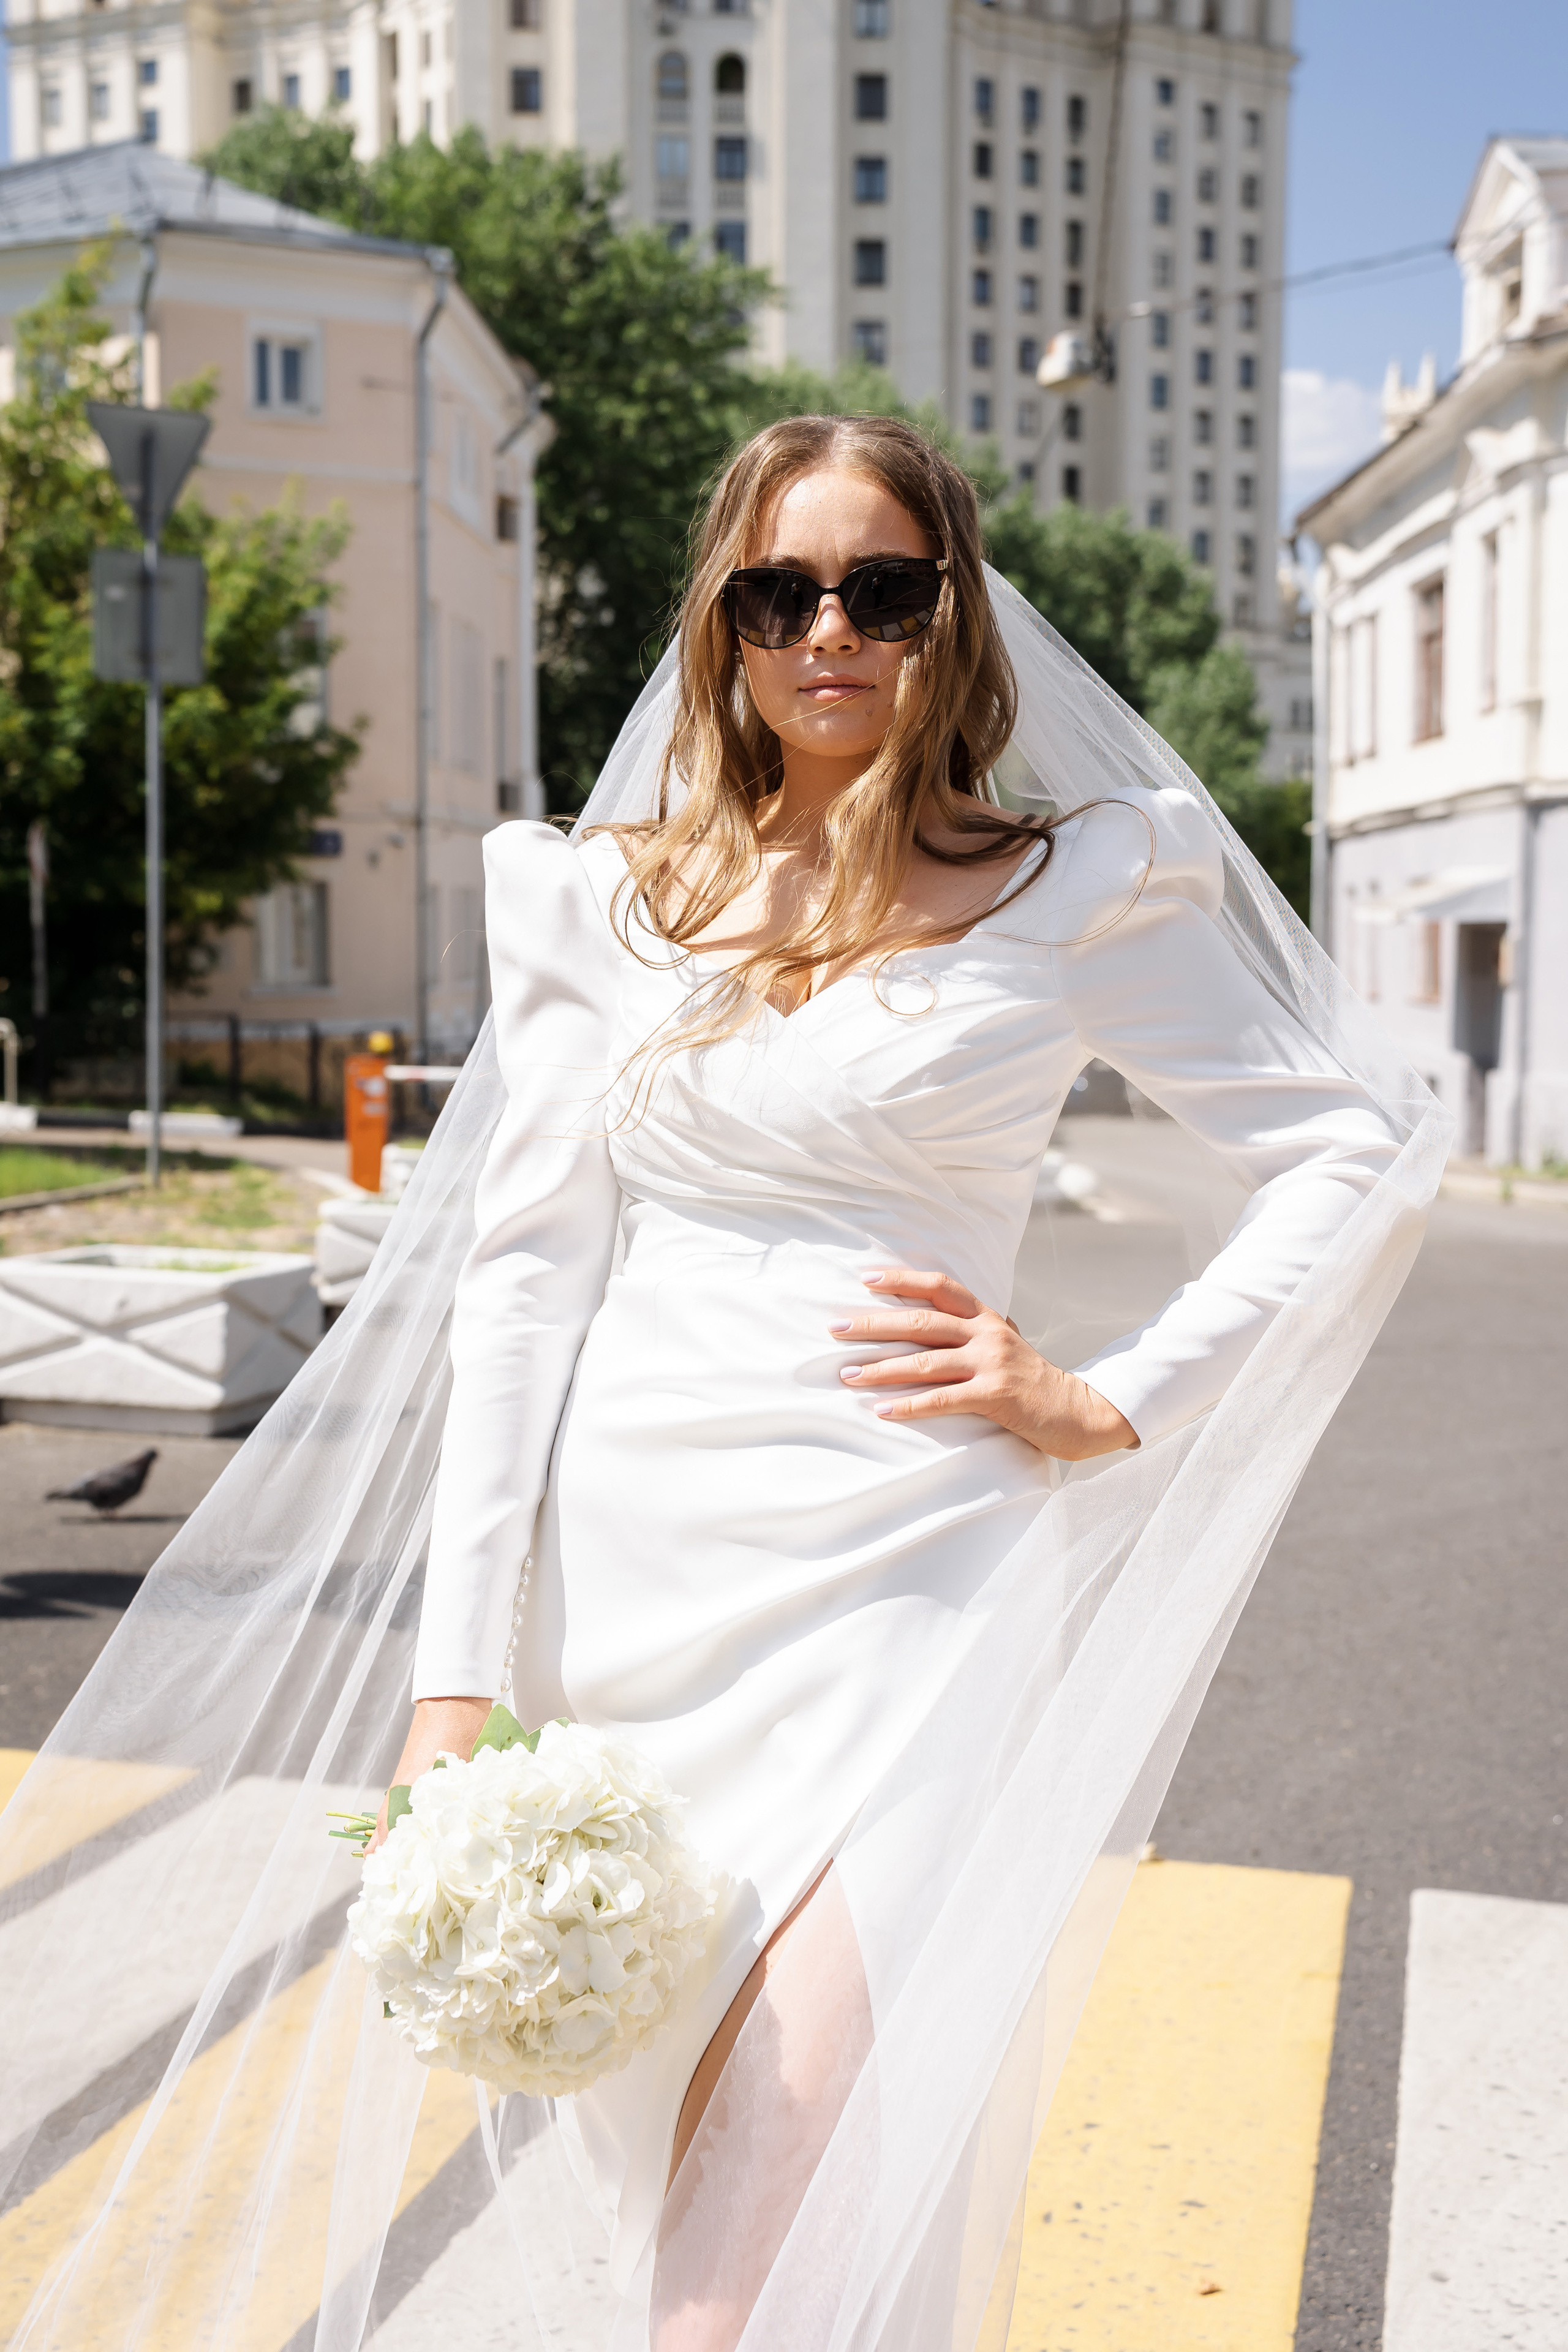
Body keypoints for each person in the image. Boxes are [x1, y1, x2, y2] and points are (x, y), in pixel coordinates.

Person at [0, 415, 1446, 2352]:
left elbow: (1352, 1147)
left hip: (916, 1584)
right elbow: (519, 1299)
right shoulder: (603, 904)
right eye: (783, 591)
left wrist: (1115, 1392)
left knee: (785, 2178)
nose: (829, 630)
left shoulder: (1069, 889)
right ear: (727, 626)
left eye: (883, 588)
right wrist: (455, 1686)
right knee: (668, 2158)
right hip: (631, 1596)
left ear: (956, 614)